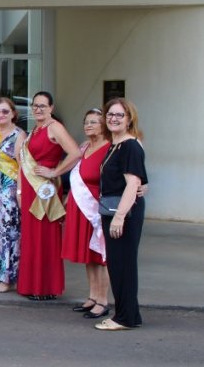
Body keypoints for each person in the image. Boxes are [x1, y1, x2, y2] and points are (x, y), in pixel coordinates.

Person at [17, 91, 81, 300]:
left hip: (44, 189)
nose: (37, 109)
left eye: (42, 106)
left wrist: (55, 172)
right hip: (30, 188)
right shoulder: (36, 129)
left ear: (51, 108)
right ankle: (33, 285)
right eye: (35, 105)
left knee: (45, 236)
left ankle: (45, 287)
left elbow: (75, 153)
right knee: (32, 236)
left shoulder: (55, 127)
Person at [94, 98, 148, 331]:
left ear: (129, 120)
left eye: (119, 115)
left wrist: (119, 217)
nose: (113, 118)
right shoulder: (115, 144)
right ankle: (129, 314)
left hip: (123, 213)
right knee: (118, 264)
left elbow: (132, 183)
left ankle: (124, 318)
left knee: (122, 265)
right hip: (114, 209)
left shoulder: (130, 146)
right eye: (110, 114)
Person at [63, 109, 111, 316]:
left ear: (104, 125)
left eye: (94, 122)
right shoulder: (84, 147)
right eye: (86, 122)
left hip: (96, 207)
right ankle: (92, 296)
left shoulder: (110, 148)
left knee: (101, 255)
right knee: (89, 255)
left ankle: (103, 300)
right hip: (79, 206)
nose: (89, 125)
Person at [0, 98, 26, 292]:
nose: (0, 115)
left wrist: (19, 191)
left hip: (8, 190)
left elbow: (22, 165)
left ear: (13, 113)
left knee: (8, 234)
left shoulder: (19, 135)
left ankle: (8, 278)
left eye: (4, 111)